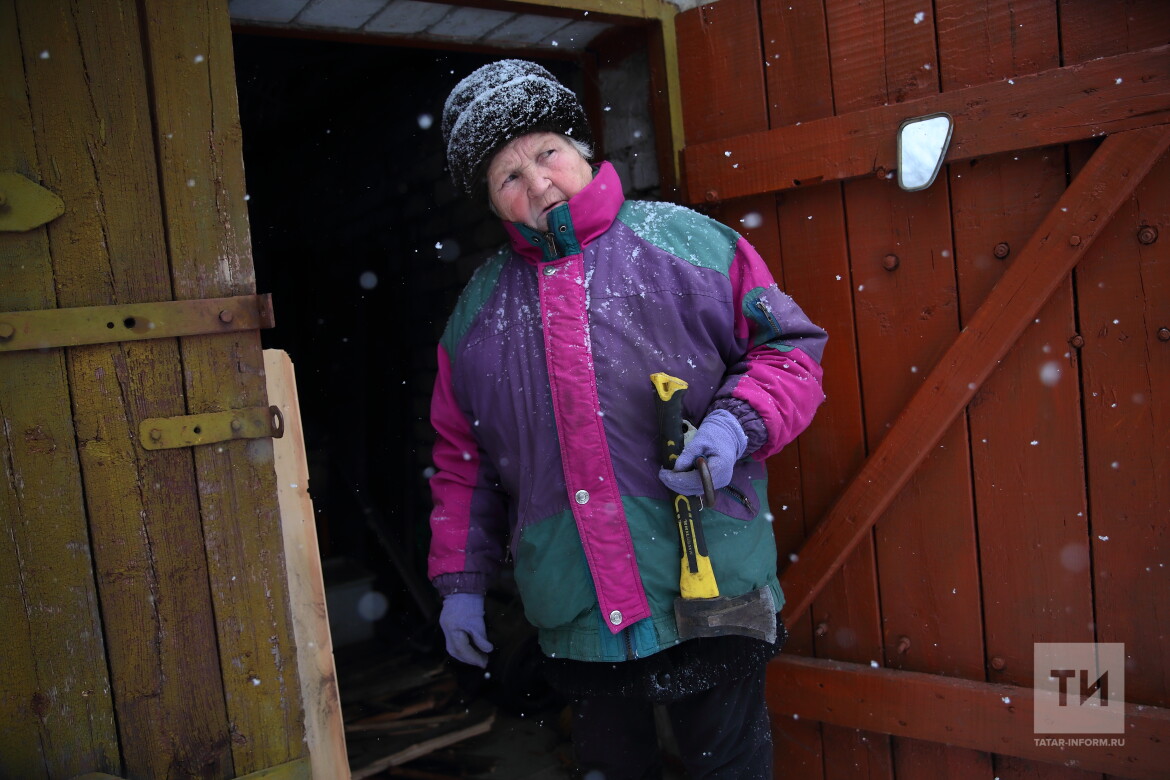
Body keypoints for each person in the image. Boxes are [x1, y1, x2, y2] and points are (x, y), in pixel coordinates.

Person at [427, 59, 828, 779]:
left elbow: (788, 351)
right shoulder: (477, 315)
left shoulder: (689, 243)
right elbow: (462, 463)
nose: (538, 184)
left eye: (547, 153)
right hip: (578, 609)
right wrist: (461, 585)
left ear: (581, 149)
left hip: (712, 582)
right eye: (508, 176)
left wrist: (735, 424)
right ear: (491, 202)